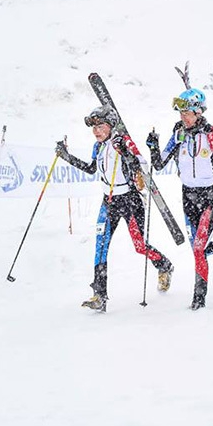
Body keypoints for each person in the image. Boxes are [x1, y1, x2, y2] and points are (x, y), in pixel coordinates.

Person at [55, 105, 174, 313]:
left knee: (139, 246)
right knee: (100, 247)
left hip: (130, 201)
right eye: (94, 127)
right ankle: (100, 295)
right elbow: (92, 169)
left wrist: (125, 152)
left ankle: (164, 265)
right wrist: (67, 156)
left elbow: (142, 165)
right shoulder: (98, 146)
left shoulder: (124, 141)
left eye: (100, 126)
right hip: (108, 202)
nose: (96, 131)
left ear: (111, 125)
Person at [146, 88, 213, 310]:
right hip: (188, 197)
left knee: (198, 248)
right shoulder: (178, 134)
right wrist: (153, 147)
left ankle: (199, 299)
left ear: (198, 112)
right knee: (199, 250)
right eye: (180, 113)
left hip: (210, 197)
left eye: (186, 113)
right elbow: (159, 164)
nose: (182, 117)